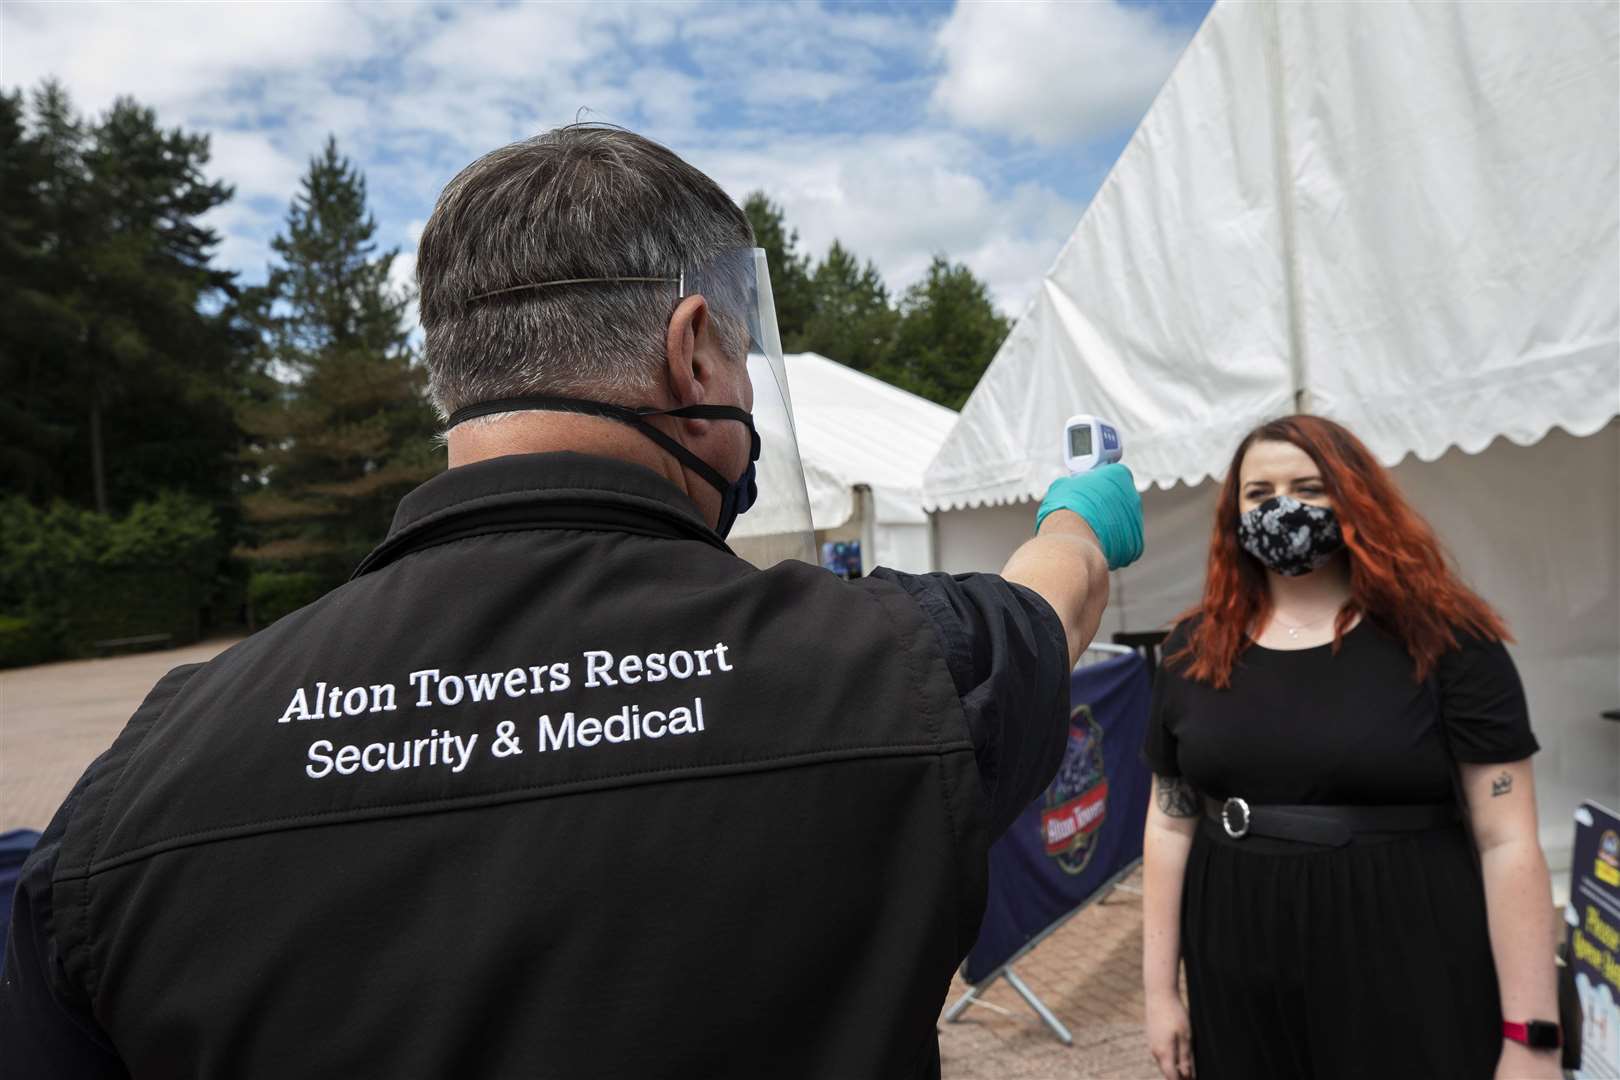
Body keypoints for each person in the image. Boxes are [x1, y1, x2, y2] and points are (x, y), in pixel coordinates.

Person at [0, 125, 1145, 1079]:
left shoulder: (147, 782)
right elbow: (1054, 604)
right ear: (695, 353)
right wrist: (1075, 514)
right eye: (743, 362)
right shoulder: (893, 666)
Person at [1140, 415, 1562, 1080]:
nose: (1282, 507)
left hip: (1410, 957)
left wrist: (1531, 1036)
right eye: (1260, 492)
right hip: (1237, 969)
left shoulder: (1445, 640)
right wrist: (1160, 993)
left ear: (1356, 496)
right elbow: (1170, 820)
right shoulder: (1193, 648)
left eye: (1309, 487)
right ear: (1233, 511)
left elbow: (1507, 840)